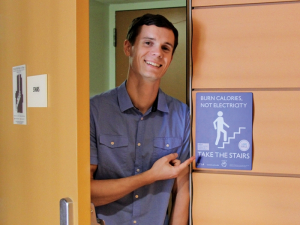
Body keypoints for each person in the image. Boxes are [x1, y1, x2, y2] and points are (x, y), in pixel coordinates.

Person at [90, 13, 195, 225]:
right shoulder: (94, 110)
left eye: (166, 48)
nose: (157, 53)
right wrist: (150, 176)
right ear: (128, 48)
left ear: (171, 58)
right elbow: (84, 191)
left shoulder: (182, 115)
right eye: (148, 43)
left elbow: (183, 189)